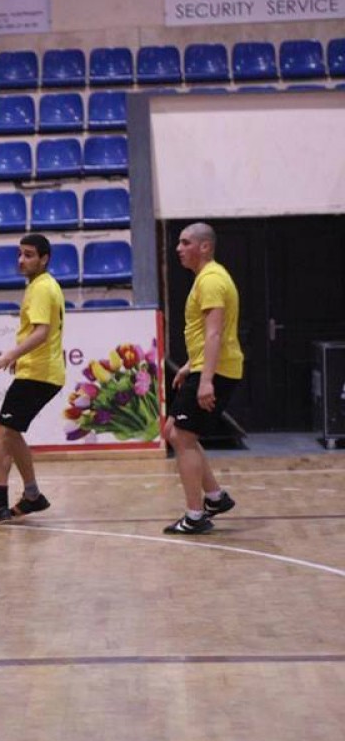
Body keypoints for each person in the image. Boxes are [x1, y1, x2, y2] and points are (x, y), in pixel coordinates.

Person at [0, 234, 65, 525]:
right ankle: (32, 495)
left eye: (29, 255)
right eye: (20, 254)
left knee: (3, 433)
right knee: (10, 434)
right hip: (41, 372)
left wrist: (8, 356)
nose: (21, 260)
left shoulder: (41, 288)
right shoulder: (43, 285)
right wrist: (19, 358)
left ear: (44, 259)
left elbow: (42, 332)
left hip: (39, 373)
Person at [162, 221, 243, 535]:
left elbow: (215, 333)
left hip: (216, 370)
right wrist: (189, 366)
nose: (179, 249)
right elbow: (206, 334)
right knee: (174, 431)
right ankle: (215, 498)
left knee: (182, 437)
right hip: (207, 366)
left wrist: (206, 380)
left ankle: (195, 516)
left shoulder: (210, 280)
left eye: (186, 243)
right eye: (179, 243)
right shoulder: (208, 278)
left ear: (205, 246)